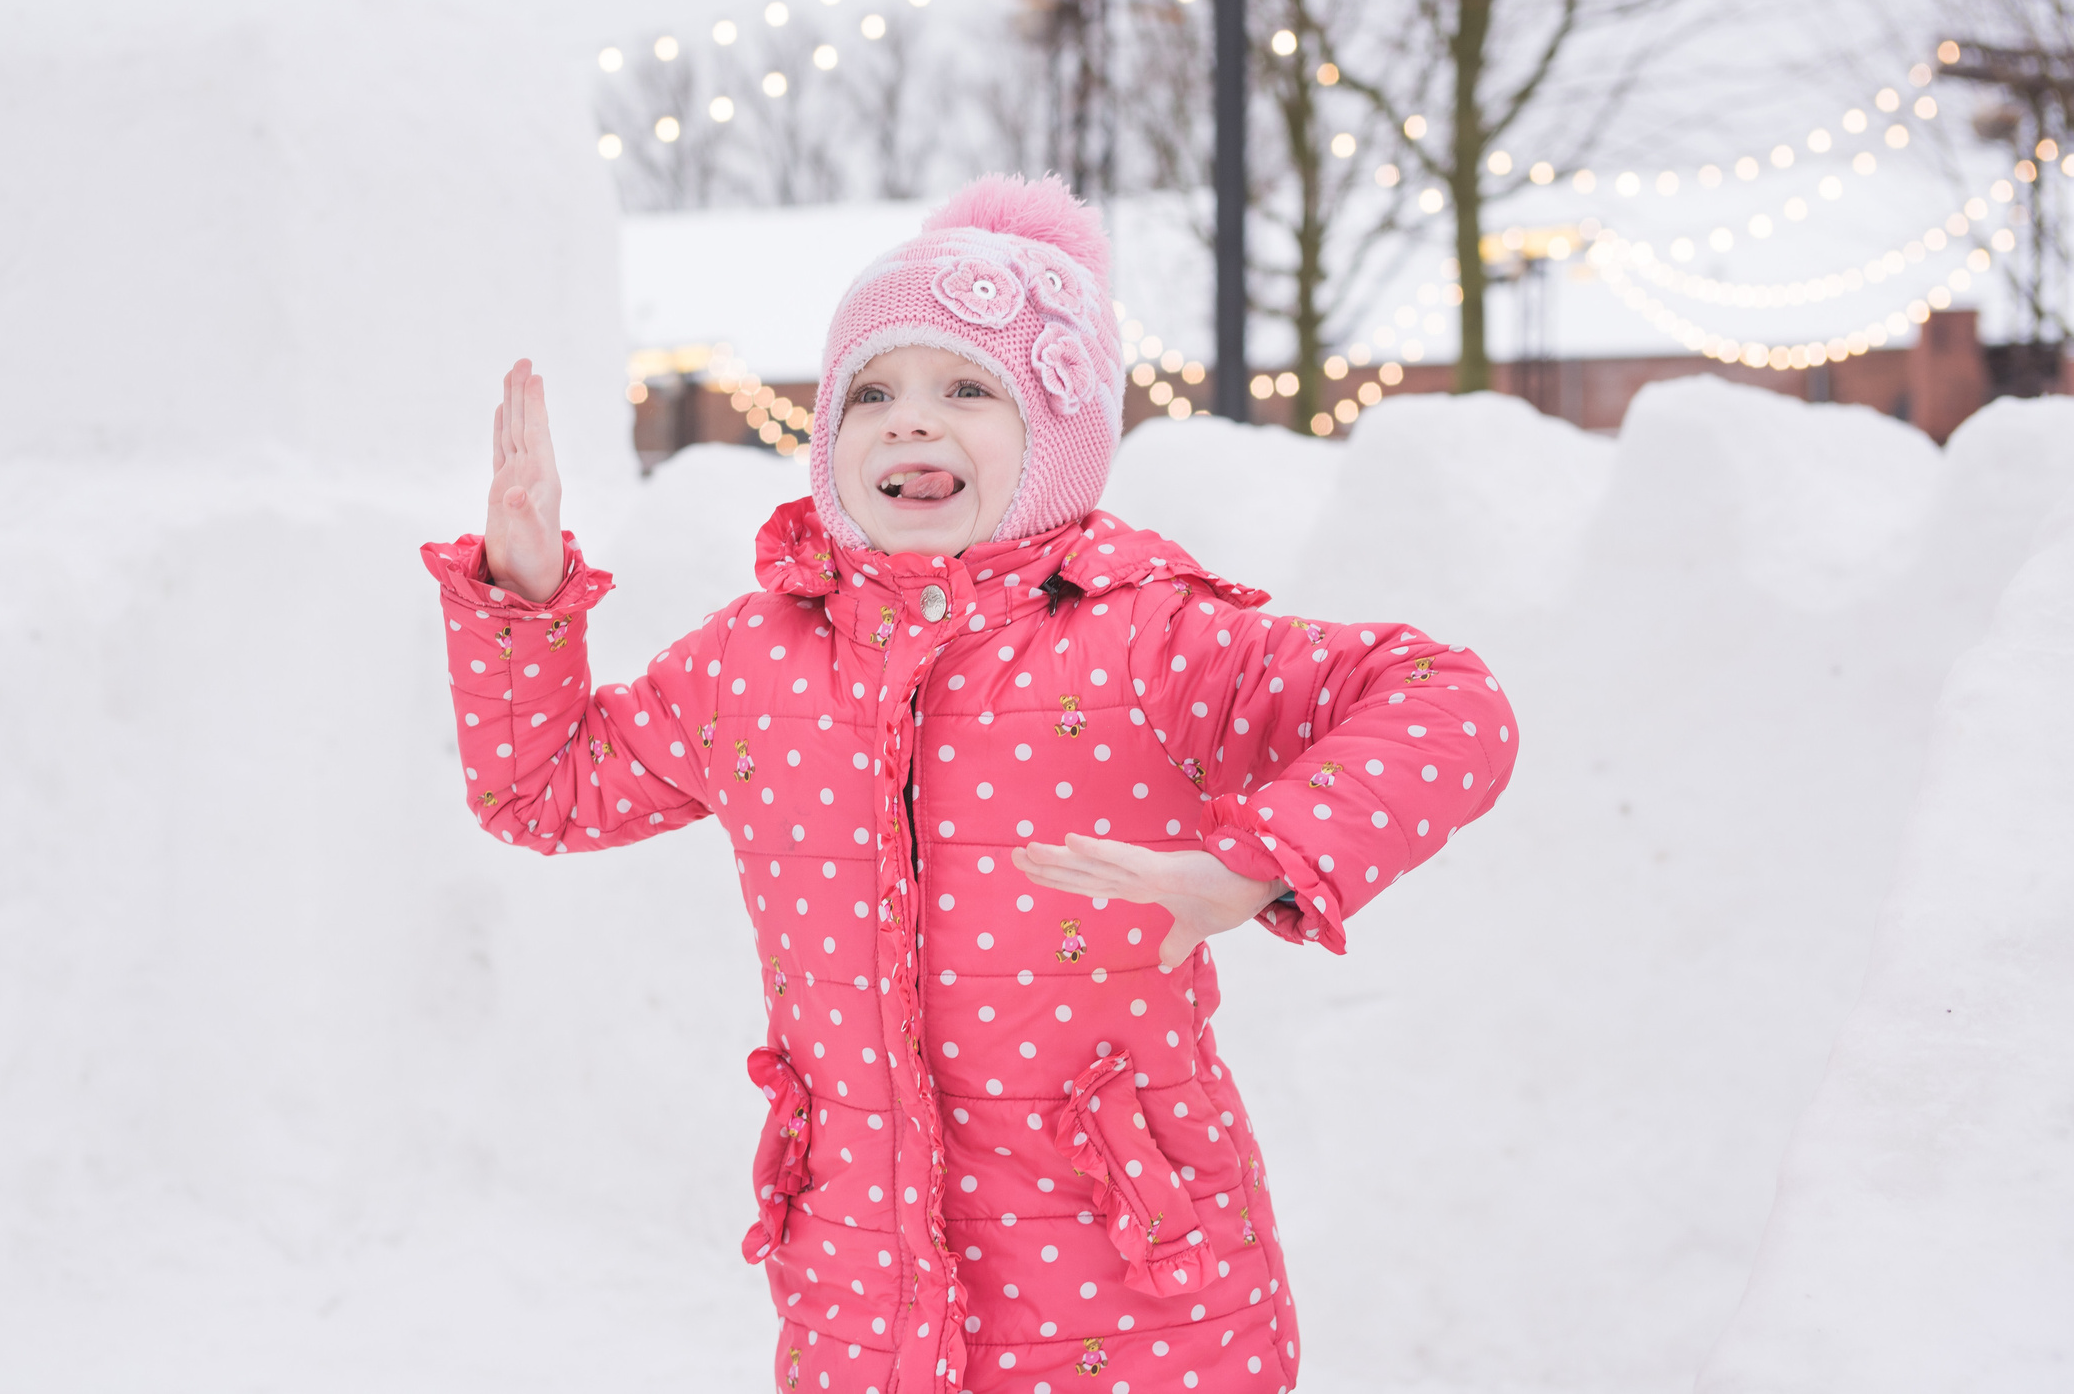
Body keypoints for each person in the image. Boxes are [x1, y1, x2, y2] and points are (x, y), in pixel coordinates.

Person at [421, 174, 1518, 1394]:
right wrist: (520, 600)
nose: (906, 420)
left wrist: (1250, 862)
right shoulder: (756, 661)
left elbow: (1442, 698)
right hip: (859, 1292)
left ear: (1056, 438)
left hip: (1138, 1292)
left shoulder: (1144, 641)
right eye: (871, 392)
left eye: (966, 389)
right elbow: (546, 792)